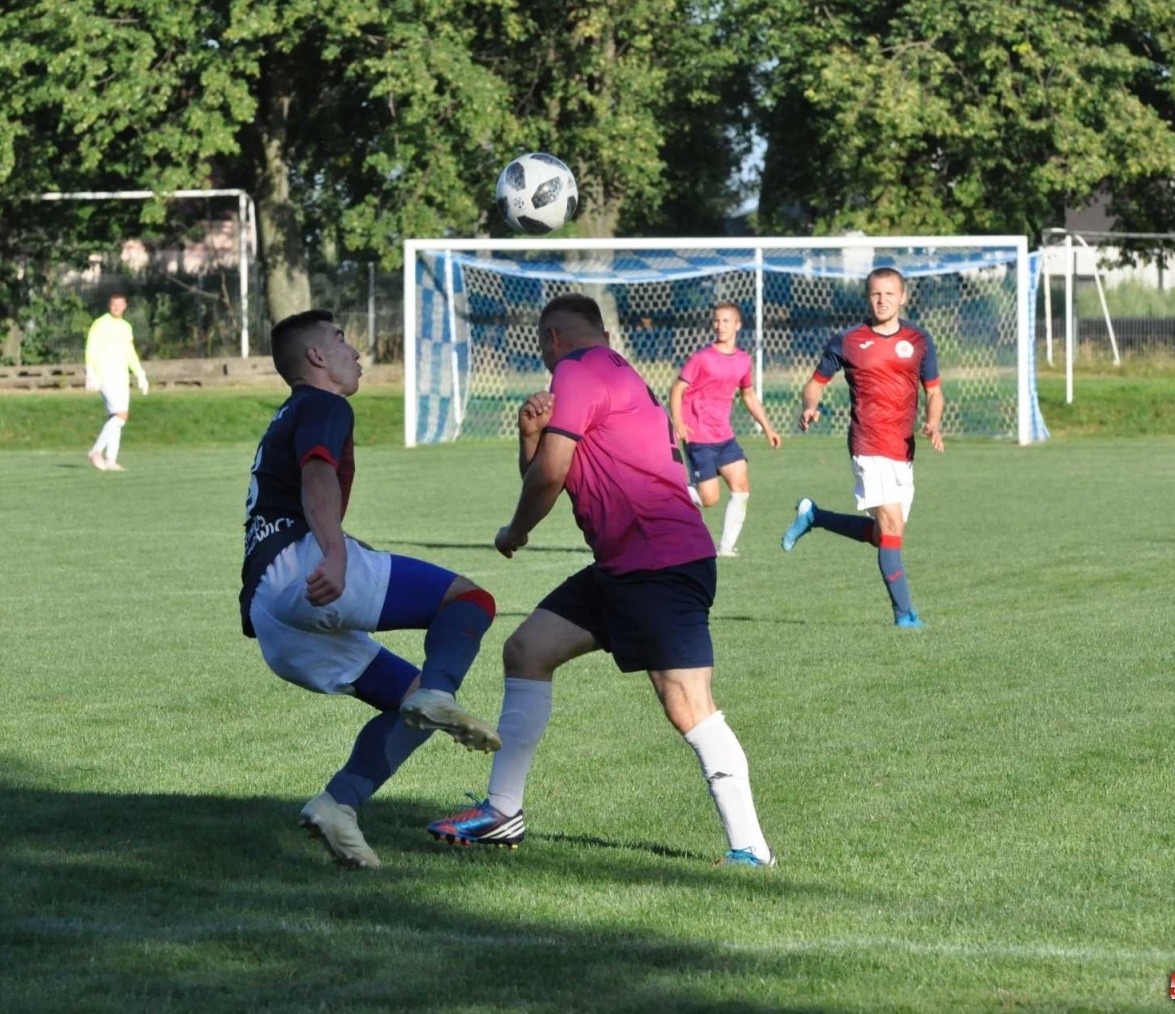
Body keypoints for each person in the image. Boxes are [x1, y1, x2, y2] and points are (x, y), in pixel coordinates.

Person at [426, 293, 774, 868]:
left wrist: (514, 532)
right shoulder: (616, 373)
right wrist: (530, 436)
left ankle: (750, 849)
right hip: (624, 564)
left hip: (658, 564)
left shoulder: (576, 371)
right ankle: (501, 812)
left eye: (544, 346)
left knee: (690, 706)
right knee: (528, 650)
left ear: (553, 338)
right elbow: (549, 469)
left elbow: (551, 479)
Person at [242, 309, 502, 869]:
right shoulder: (323, 402)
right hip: (303, 564)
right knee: (471, 600)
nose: (354, 351)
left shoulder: (290, 411)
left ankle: (338, 805)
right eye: (340, 340)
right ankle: (442, 690)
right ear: (316, 358)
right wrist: (333, 553)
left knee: (410, 703)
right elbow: (316, 474)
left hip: (268, 610)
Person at [780, 267, 944, 628]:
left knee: (882, 535)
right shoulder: (848, 340)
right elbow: (815, 383)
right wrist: (810, 405)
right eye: (875, 294)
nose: (882, 300)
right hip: (868, 445)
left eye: (889, 293)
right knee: (890, 526)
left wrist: (933, 421)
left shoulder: (919, 339)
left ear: (903, 297)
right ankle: (905, 616)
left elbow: (933, 390)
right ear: (867, 298)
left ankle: (814, 516)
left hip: (903, 450)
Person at [669, 302, 783, 557]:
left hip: (725, 436)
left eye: (726, 321)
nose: (720, 326)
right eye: (717, 321)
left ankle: (727, 548)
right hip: (699, 436)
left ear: (738, 325)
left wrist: (768, 428)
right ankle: (667, 493)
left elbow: (749, 395)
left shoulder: (743, 360)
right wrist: (678, 421)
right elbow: (677, 389)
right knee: (709, 500)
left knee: (741, 484)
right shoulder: (701, 358)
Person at [85, 295, 148, 471]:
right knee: (121, 415)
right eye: (113, 304)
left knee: (115, 418)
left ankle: (111, 459)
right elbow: (91, 348)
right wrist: (90, 372)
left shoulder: (126, 327)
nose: (116, 308)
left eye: (120, 305)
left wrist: (140, 374)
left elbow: (130, 353)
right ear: (109, 305)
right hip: (104, 375)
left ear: (125, 306)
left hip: (121, 376)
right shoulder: (100, 324)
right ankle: (96, 451)